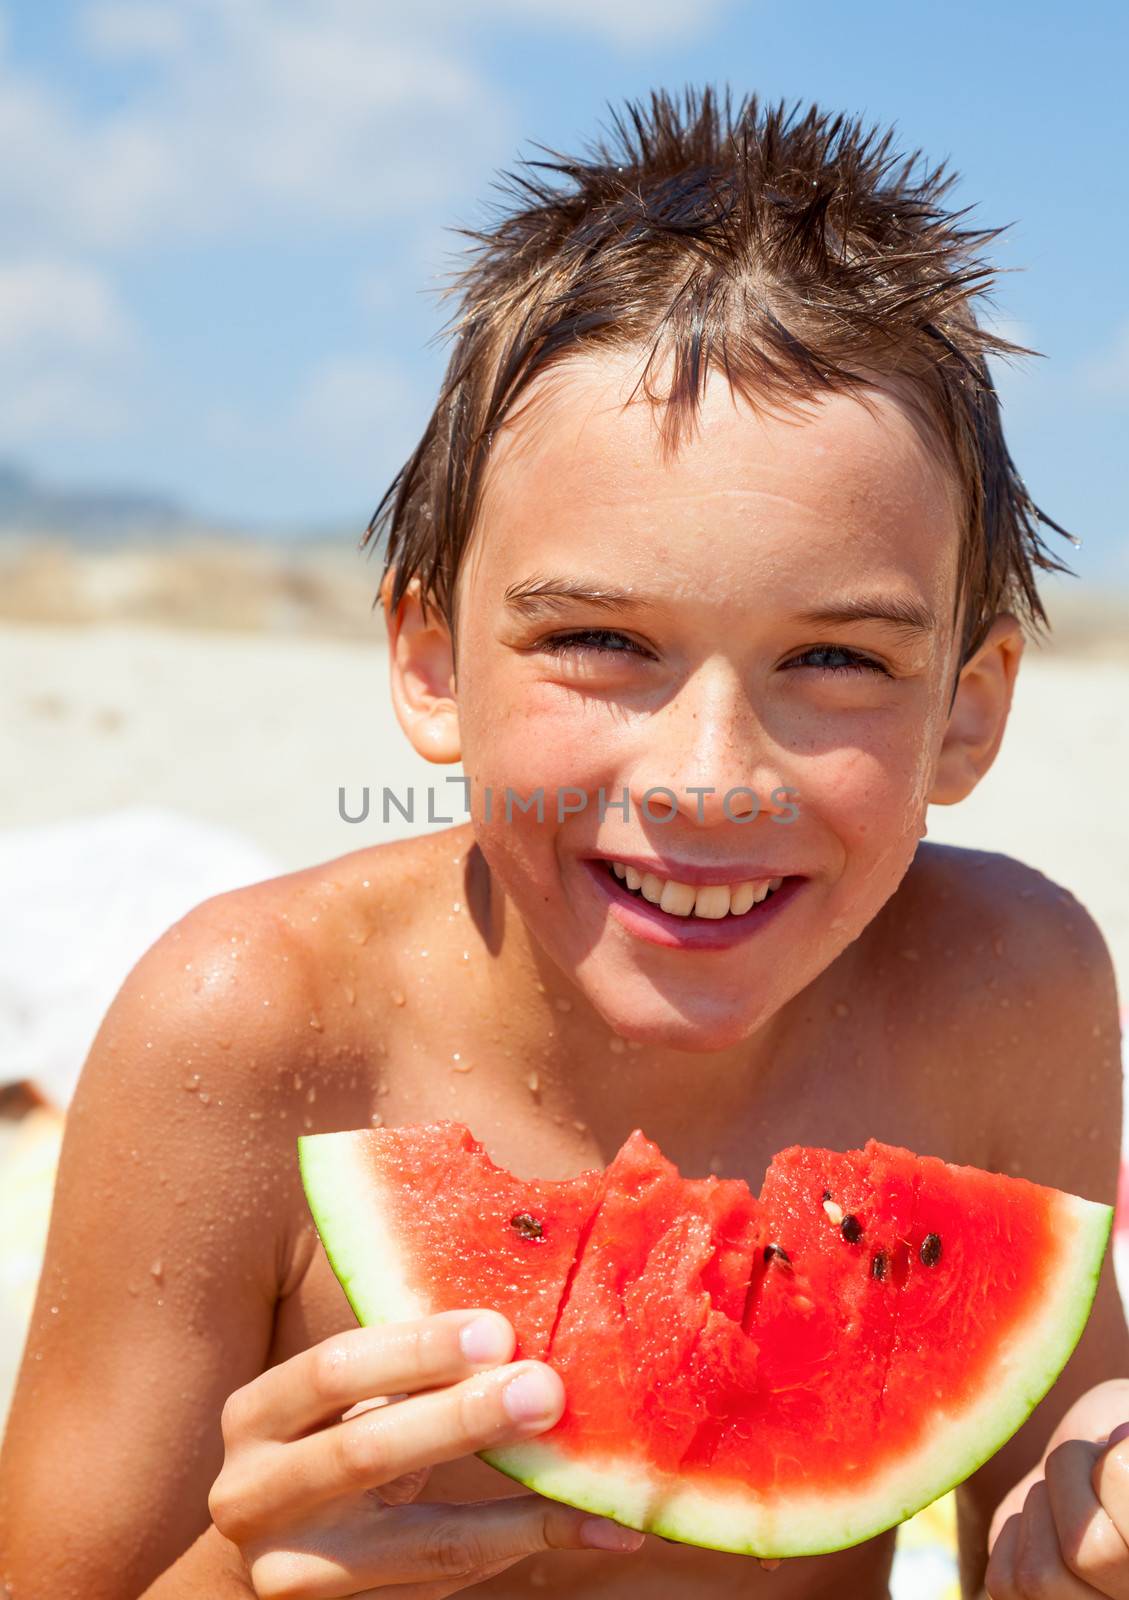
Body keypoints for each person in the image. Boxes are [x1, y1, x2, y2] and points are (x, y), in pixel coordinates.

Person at [2, 87, 1126, 1600]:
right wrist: (228, 1581)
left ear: (967, 715)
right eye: (599, 639)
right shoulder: (249, 1031)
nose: (712, 780)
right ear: (427, 664)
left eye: (838, 660)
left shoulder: (1010, 997)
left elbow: (1042, 1513)